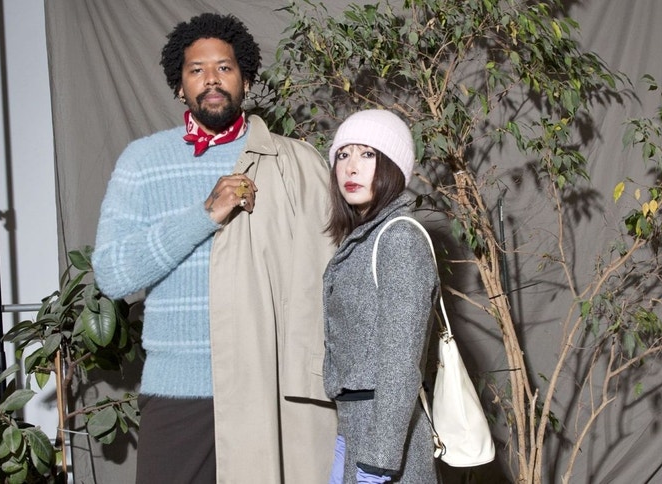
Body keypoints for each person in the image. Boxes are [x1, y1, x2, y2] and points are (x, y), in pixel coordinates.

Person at [92, 13, 337, 483]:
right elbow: (113, 274)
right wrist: (204, 215)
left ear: (246, 79)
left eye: (224, 68)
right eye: (197, 70)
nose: (211, 80)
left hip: (268, 386)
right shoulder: (143, 161)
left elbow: (325, 273)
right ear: (179, 86)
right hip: (179, 390)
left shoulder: (291, 161)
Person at [321, 109, 439, 483]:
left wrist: (376, 463)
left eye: (368, 154)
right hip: (359, 430)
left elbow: (400, 362)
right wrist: (345, 442)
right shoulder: (364, 238)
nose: (351, 167)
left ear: (392, 167)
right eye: (343, 154)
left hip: (386, 444)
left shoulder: (399, 238)